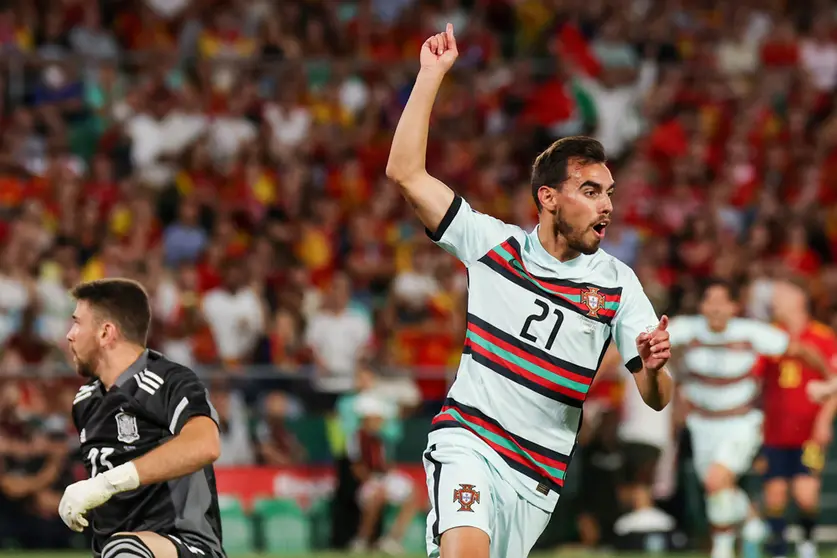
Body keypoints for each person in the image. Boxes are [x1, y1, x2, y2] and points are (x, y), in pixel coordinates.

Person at [386, 24, 673, 558]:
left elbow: (657, 401)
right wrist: (429, 77)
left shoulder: (617, 283)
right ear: (548, 198)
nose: (607, 205)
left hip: (537, 477)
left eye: (609, 193)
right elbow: (405, 172)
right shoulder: (492, 245)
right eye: (590, 192)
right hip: (468, 438)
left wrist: (654, 371)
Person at [58, 278, 225, 558]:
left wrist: (106, 483)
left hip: (186, 546)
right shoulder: (85, 401)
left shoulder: (168, 380)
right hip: (118, 549)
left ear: (105, 333)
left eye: (77, 323)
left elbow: (206, 444)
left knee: (124, 550)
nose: (69, 335)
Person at [667, 279, 833, 558]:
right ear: (702, 305)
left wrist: (830, 381)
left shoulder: (751, 333)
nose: (716, 309)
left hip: (741, 423)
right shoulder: (684, 329)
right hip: (703, 423)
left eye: (722, 302)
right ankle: (752, 519)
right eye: (710, 301)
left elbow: (800, 350)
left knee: (716, 481)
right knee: (717, 488)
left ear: (734, 307)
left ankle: (724, 549)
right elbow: (643, 341)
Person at [757, 278, 837, 558]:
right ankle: (778, 548)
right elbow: (756, 377)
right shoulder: (769, 336)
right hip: (775, 432)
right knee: (775, 494)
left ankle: (806, 543)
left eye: (781, 294)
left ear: (799, 298)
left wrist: (824, 420)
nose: (774, 300)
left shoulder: (823, 337)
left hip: (809, 433)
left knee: (806, 495)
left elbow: (834, 383)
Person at [348, 393, 418, 555]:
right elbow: (356, 467)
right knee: (376, 498)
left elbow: (386, 463)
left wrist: (391, 474)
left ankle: (392, 539)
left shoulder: (381, 438)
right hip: (368, 481)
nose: (380, 422)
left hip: (384, 477)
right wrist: (372, 482)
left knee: (413, 494)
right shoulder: (356, 437)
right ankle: (362, 539)